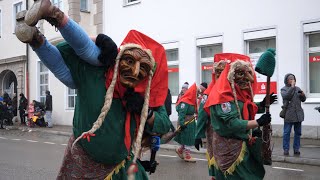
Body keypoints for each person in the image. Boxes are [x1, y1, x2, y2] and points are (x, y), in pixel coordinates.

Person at [15, 0, 171, 179]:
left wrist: (146, 111)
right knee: (70, 75)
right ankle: (38, 35)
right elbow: (73, 52)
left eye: (142, 69)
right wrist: (99, 40)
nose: (134, 72)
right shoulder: (96, 70)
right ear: (120, 57)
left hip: (118, 168)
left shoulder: (146, 94)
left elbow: (164, 124)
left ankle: (38, 35)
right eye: (129, 62)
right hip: (82, 161)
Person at [203, 57, 272, 179]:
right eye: (241, 74)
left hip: (242, 143)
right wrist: (257, 122)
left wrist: (262, 104)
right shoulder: (222, 98)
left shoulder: (237, 93)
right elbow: (231, 123)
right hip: (229, 148)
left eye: (247, 74)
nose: (247, 79)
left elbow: (245, 107)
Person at [281, 73, 306, 156]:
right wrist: (292, 87)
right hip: (289, 114)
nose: (292, 81)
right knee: (286, 132)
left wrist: (303, 95)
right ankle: (286, 149)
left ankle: (296, 149)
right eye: (290, 79)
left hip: (298, 114)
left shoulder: (298, 88)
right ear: (286, 80)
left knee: (298, 133)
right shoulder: (283, 89)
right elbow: (287, 96)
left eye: (293, 79)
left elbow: (303, 100)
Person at [174, 83, 198, 162]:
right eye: (195, 92)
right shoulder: (185, 101)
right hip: (186, 123)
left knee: (187, 138)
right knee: (188, 139)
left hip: (190, 122)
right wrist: (182, 124)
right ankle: (187, 156)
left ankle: (180, 150)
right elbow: (181, 113)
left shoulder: (191, 101)